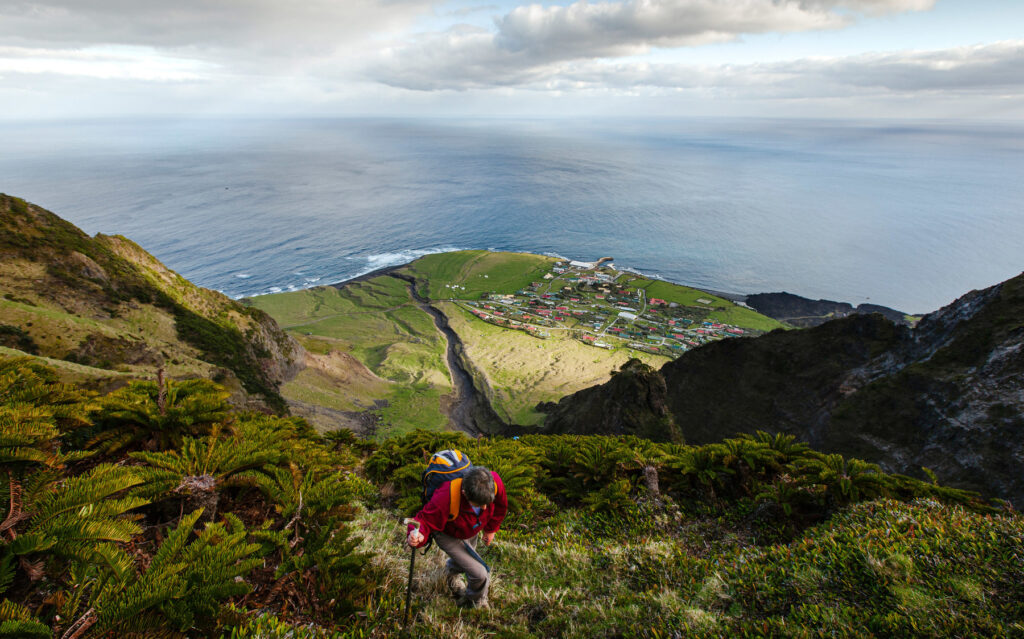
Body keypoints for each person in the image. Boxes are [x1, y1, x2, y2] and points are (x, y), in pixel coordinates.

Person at [407, 466, 507, 609]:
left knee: (463, 560)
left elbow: (501, 506)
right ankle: (474, 603)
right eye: (479, 504)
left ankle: (450, 578)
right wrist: (416, 537)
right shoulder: (445, 496)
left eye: (487, 503)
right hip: (448, 534)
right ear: (464, 494)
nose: (484, 508)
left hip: (470, 528)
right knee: (479, 574)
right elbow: (423, 520)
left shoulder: (493, 483)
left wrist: (490, 530)